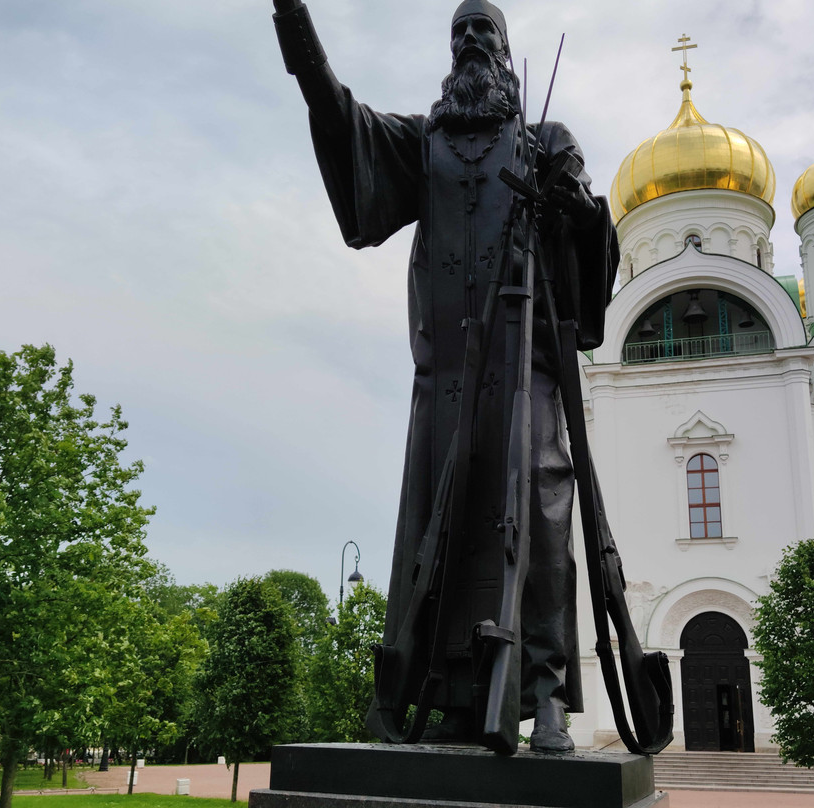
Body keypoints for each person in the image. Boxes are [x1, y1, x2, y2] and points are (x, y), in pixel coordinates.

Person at [271, 0, 618, 752]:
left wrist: (576, 204)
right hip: (446, 381)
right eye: (457, 32)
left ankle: (547, 693)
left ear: (504, 52)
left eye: (481, 31)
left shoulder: (544, 141)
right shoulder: (421, 144)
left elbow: (590, 236)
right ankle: (452, 699)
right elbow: (339, 115)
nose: (467, 42)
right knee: (441, 528)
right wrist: (292, 20)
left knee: (541, 509)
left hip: (523, 373)